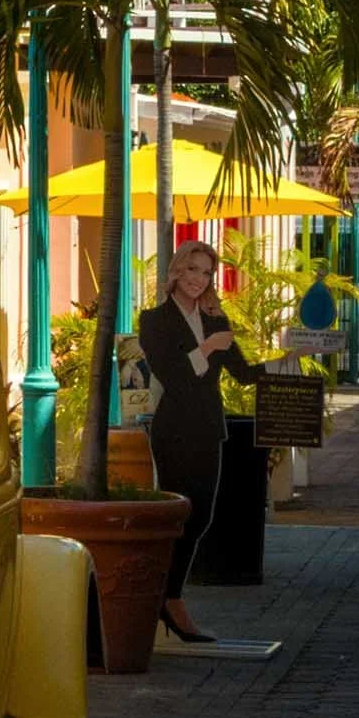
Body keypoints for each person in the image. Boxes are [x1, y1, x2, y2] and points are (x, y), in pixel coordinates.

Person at [137, 240, 263, 645]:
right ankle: (168, 600)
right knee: (181, 514)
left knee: (203, 516)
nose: (198, 279)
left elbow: (243, 373)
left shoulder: (215, 317)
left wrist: (292, 357)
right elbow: (174, 376)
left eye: (206, 272)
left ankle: (167, 596)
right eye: (192, 270)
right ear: (177, 272)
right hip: (174, 429)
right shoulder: (154, 320)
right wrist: (207, 347)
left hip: (209, 428)